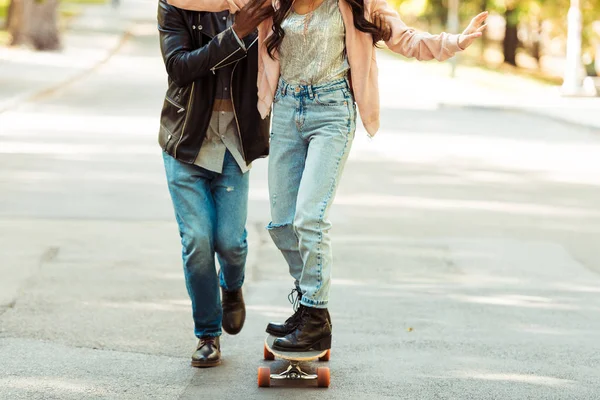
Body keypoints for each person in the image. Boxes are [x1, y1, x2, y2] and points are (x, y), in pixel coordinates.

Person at [167, 0, 487, 353]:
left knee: (310, 218)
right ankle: (308, 306)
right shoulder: (275, 1)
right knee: (283, 224)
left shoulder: (359, 4)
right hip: (287, 111)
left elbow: (406, 38)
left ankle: (316, 317)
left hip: (332, 113)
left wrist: (455, 42)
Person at [157, 0, 273, 367]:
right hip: (187, 144)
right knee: (197, 240)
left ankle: (232, 286)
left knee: (230, 243)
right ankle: (207, 334)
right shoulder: (177, 4)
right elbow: (179, 68)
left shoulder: (261, 6)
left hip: (234, 145)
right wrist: (236, 34)